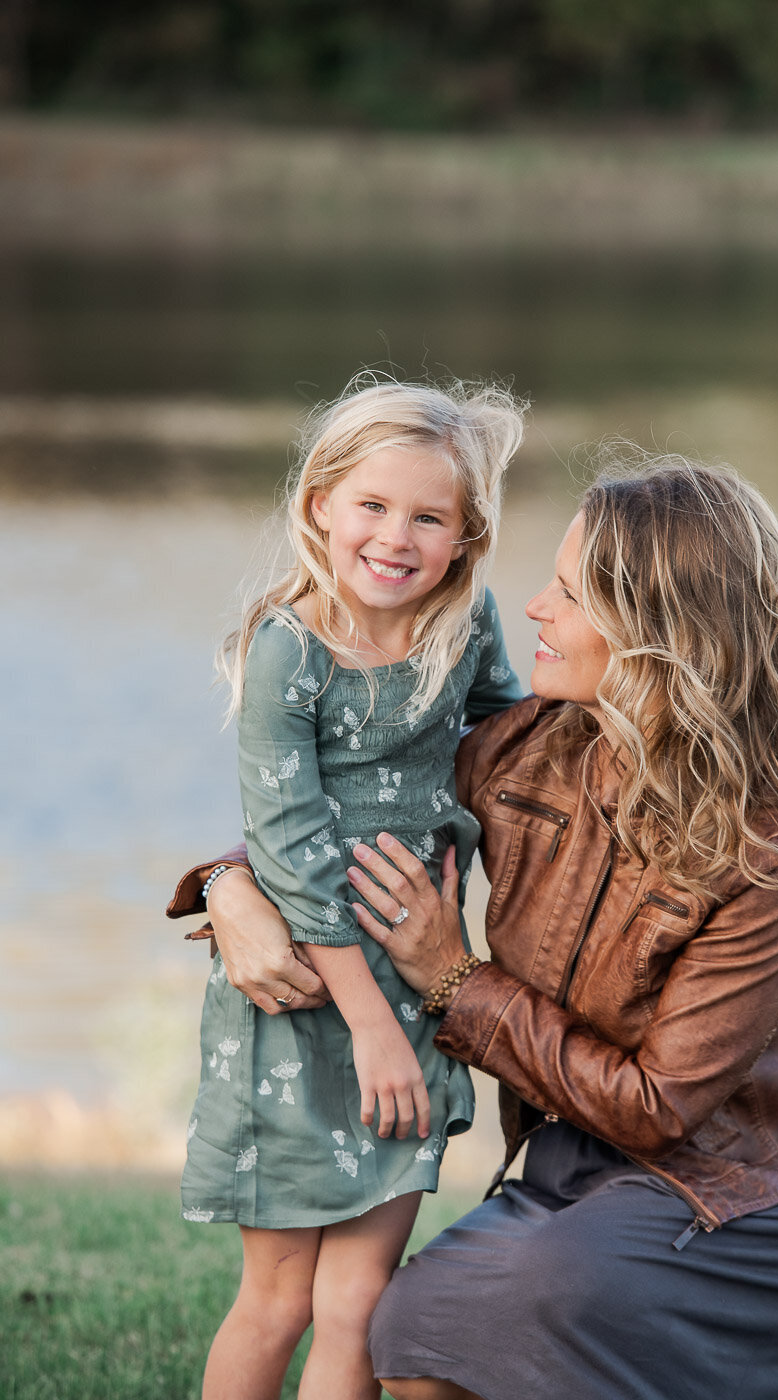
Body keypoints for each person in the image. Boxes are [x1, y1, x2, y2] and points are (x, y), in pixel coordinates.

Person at [171, 454, 778, 1400]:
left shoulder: (765, 846)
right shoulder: (527, 752)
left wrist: (452, 978)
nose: (533, 608)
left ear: (655, 632)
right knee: (419, 1329)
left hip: (762, 1189)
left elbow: (655, 1107)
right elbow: (341, 814)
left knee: (478, 1315)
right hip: (583, 1160)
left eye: (568, 591)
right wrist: (225, 884)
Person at [176, 375, 526, 1400]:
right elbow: (288, 846)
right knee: (280, 1297)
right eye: (372, 504)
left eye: (429, 516)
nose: (395, 536)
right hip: (304, 997)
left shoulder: (464, 629)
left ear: (464, 538)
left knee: (359, 1300)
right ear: (319, 501)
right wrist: (371, 1020)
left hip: (413, 983)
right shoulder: (288, 648)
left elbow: (515, 743)